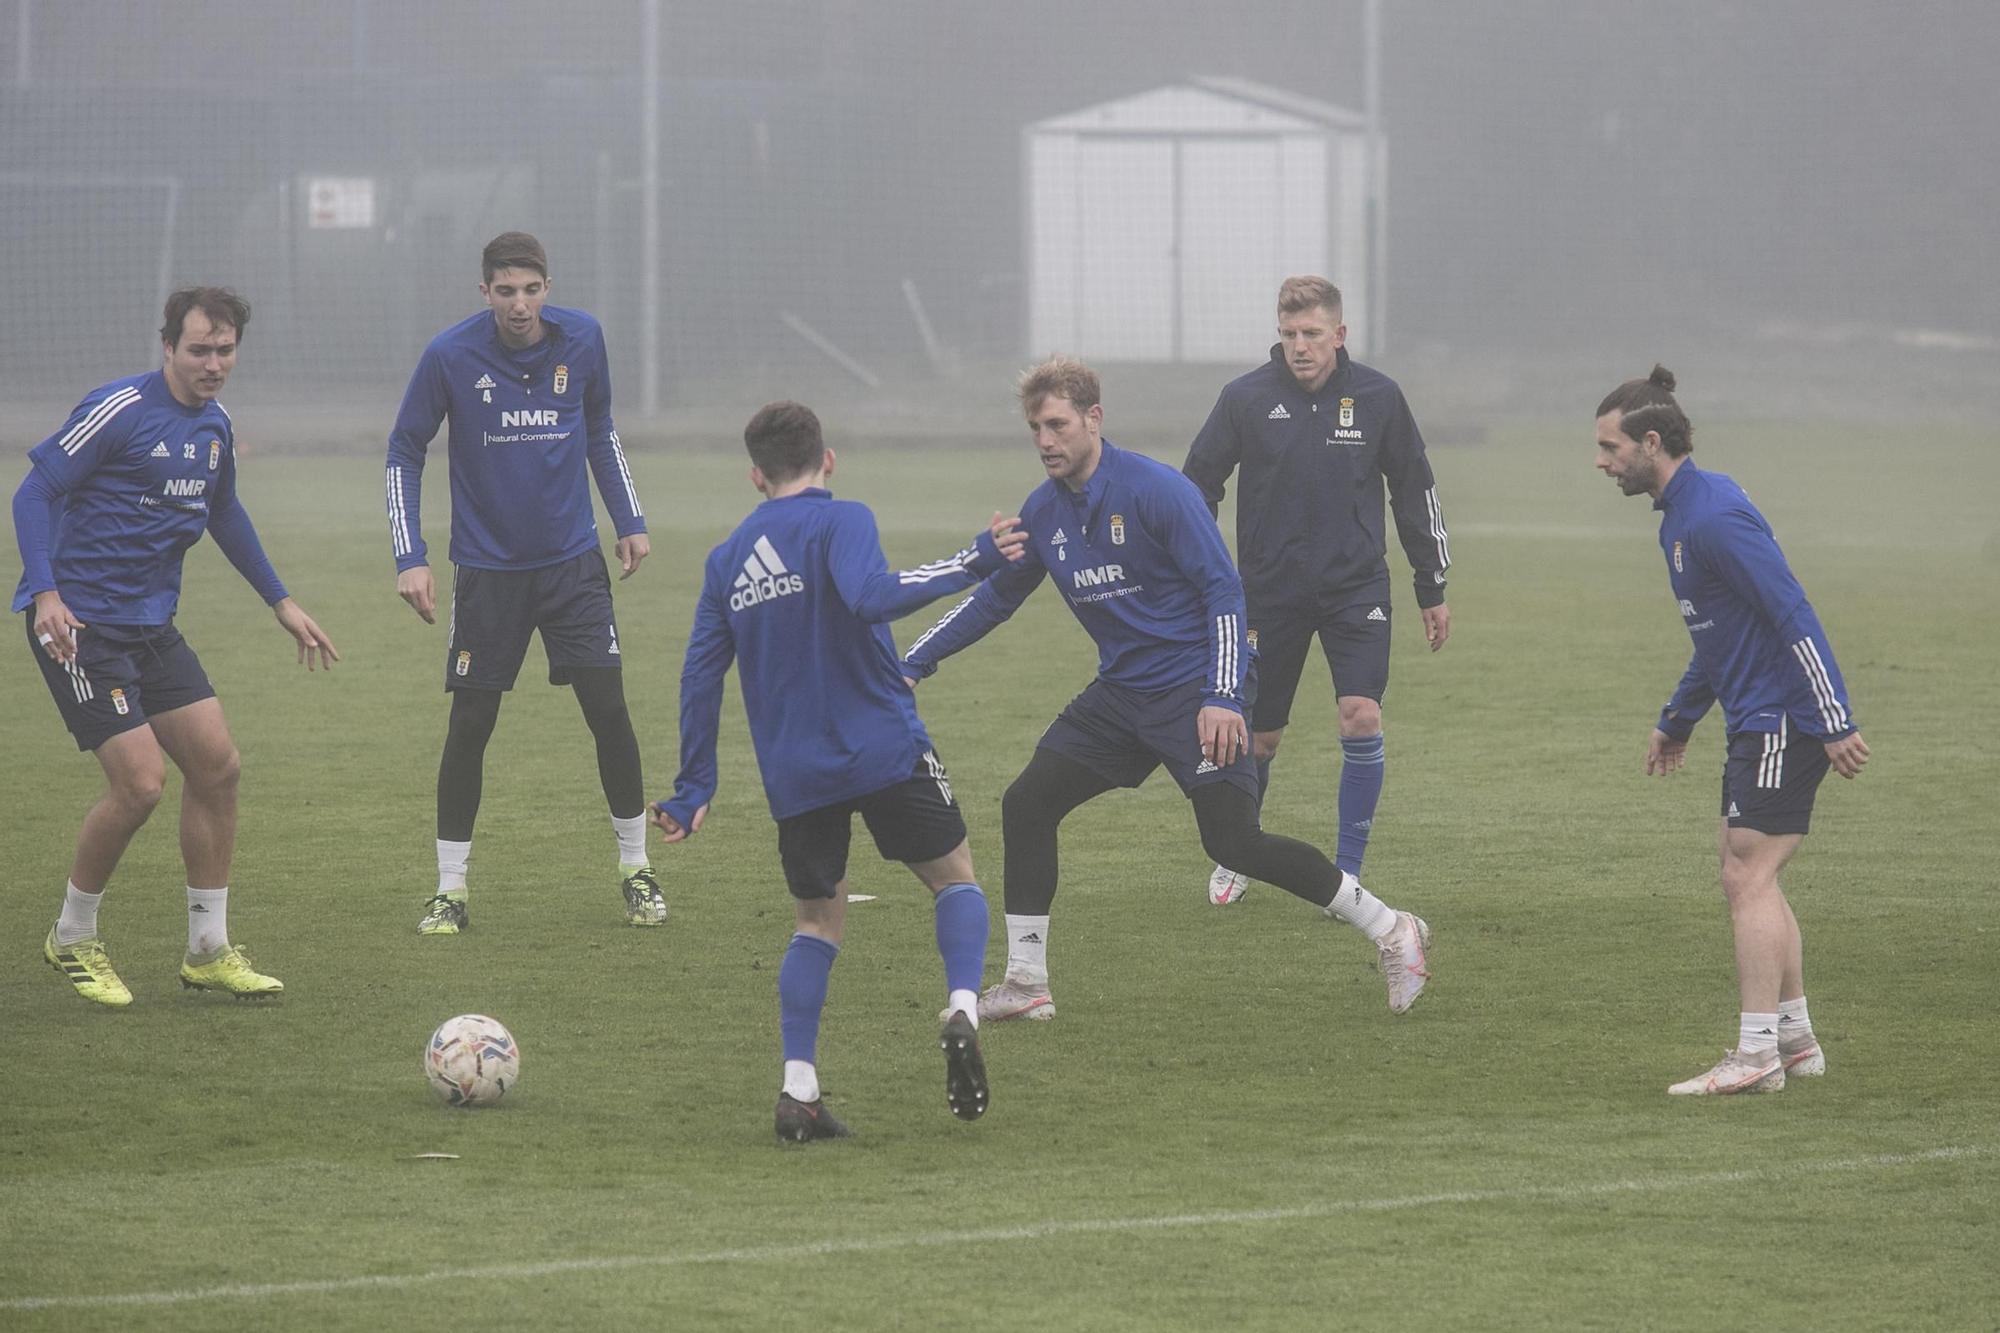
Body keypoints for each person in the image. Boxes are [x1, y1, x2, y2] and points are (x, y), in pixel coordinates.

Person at [904, 356, 1432, 1021]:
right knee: (1028, 802)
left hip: (1195, 687)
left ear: (1094, 419)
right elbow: (993, 600)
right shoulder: (1043, 514)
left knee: (1234, 843)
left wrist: (1222, 694)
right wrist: (913, 663)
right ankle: (1026, 978)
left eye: (1058, 425)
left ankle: (1390, 928)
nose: (1045, 441)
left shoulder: (1158, 491)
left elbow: (1225, 592)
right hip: (1121, 695)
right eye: (1036, 427)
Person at [651, 401, 1026, 1142]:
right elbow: (872, 596)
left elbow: (699, 675)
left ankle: (798, 1089)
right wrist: (976, 557)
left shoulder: (727, 560)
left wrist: (695, 786)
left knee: (817, 922)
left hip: (797, 772)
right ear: (828, 460)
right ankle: (959, 1003)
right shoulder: (841, 518)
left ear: (756, 474)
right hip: (883, 746)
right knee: (955, 877)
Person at [16, 287, 340, 1006]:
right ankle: (71, 935)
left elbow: (223, 510)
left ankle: (207, 948)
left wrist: (280, 601)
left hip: (150, 627)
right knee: (140, 784)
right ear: (167, 347)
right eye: (199, 349)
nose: (213, 363)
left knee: (218, 766)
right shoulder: (119, 410)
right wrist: (46, 593)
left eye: (225, 351)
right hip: (78, 626)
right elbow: (32, 494)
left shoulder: (216, 427)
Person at [1595, 365, 1867, 1096]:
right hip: (1756, 715)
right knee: (1747, 872)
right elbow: (1719, 636)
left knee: (1748, 873)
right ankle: (1796, 1040)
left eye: (1610, 446)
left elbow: (1791, 611)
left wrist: (1833, 718)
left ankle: (1754, 1057)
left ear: (1651, 442)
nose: (1601, 461)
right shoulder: (1681, 517)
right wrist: (1678, 718)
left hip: (1782, 717)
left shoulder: (1711, 513)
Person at [386, 231, 662, 935]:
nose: (519, 304)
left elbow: (599, 426)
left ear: (547, 286)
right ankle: (450, 889)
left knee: (609, 710)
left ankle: (637, 870)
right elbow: (403, 450)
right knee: (471, 723)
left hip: (573, 567)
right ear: (485, 292)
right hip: (487, 573)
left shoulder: (584, 340)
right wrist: (408, 554)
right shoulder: (450, 355)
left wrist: (628, 517)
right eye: (505, 291)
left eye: (531, 290)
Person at [1183, 276, 1452, 907]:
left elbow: (1414, 490)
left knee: (1361, 716)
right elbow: (1196, 487)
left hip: (1356, 588)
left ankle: (1348, 872)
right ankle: (1239, 849)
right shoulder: (1245, 398)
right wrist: (1208, 573)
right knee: (1258, 738)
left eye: (1311, 333)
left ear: (1339, 334)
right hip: (1266, 594)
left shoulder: (1379, 397)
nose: (1299, 346)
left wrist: (1430, 584)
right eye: (1288, 334)